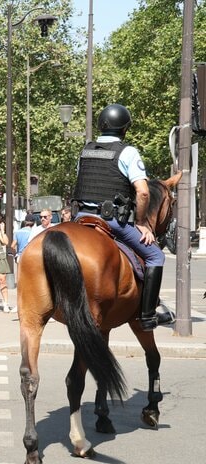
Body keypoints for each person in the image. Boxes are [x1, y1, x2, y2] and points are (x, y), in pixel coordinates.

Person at [72, 103, 164, 330]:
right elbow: (143, 192)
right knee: (155, 257)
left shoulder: (86, 150)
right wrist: (142, 223)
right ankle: (147, 316)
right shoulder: (127, 152)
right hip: (111, 220)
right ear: (124, 129)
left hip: (81, 217)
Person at [11, 214, 35, 281]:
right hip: (31, 257)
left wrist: (15, 254)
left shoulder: (17, 232)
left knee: (20, 275)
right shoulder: (34, 232)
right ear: (34, 223)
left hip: (20, 256)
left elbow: (12, 246)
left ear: (25, 221)